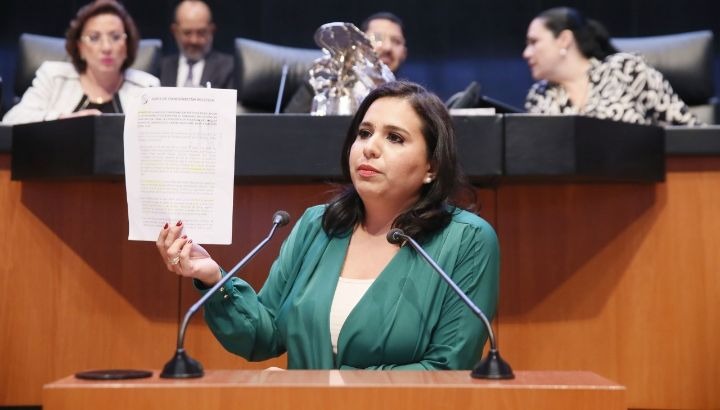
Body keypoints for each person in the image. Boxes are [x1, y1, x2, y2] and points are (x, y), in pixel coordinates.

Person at [157, 81, 500, 370]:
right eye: (364, 133)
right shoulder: (318, 226)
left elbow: (446, 368)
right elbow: (264, 336)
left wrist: (322, 387)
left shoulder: (467, 240)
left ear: (432, 168)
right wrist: (213, 277)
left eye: (394, 138)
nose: (370, 148)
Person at [522, 7, 700, 126]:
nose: (526, 53)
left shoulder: (626, 70)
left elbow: (689, 132)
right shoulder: (538, 95)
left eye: (534, 42)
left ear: (564, 40)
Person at [2, 0, 159, 125]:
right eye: (94, 37)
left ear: (127, 45)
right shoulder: (53, 78)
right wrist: (65, 120)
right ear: (80, 47)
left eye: (116, 37)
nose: (106, 47)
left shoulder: (147, 87)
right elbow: (10, 121)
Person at [283, 12, 407, 113]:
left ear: (404, 53)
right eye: (378, 38)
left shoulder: (408, 98)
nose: (387, 47)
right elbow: (287, 127)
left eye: (396, 41)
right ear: (360, 43)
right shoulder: (323, 79)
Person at [159, 0, 235, 89]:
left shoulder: (229, 68)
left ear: (212, 31)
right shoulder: (160, 68)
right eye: (187, 33)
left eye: (201, 33)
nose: (194, 41)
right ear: (175, 31)